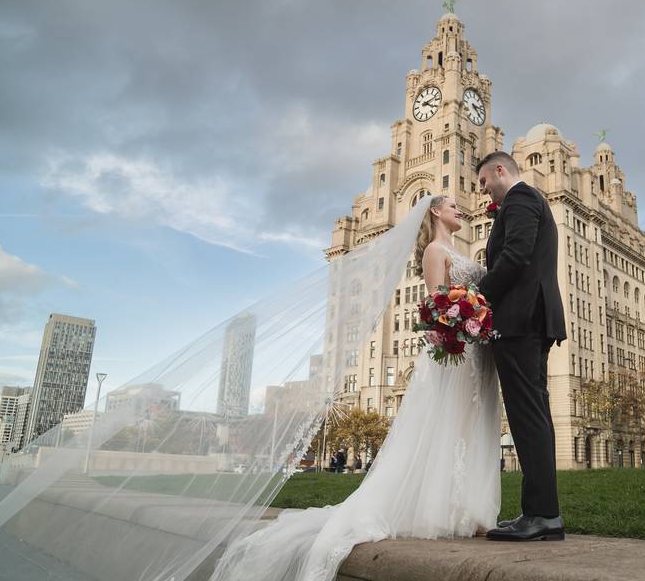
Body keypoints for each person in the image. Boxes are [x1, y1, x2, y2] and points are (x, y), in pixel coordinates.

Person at [210, 195, 501, 581]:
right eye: (452, 206)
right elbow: (436, 307)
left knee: (469, 427)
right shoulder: (434, 249)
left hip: (473, 349)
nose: (459, 210)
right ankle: (451, 508)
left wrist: (477, 317)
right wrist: (461, 324)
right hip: (454, 351)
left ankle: (468, 509)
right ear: (434, 212)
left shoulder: (454, 247)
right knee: (445, 427)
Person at [476, 151, 567, 542]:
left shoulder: (522, 199)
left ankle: (544, 515)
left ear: (501, 170)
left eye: (483, 182)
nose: (483, 191)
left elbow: (516, 257)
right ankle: (539, 512)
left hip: (520, 320)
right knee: (532, 415)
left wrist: (477, 298)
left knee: (528, 416)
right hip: (527, 319)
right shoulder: (519, 203)